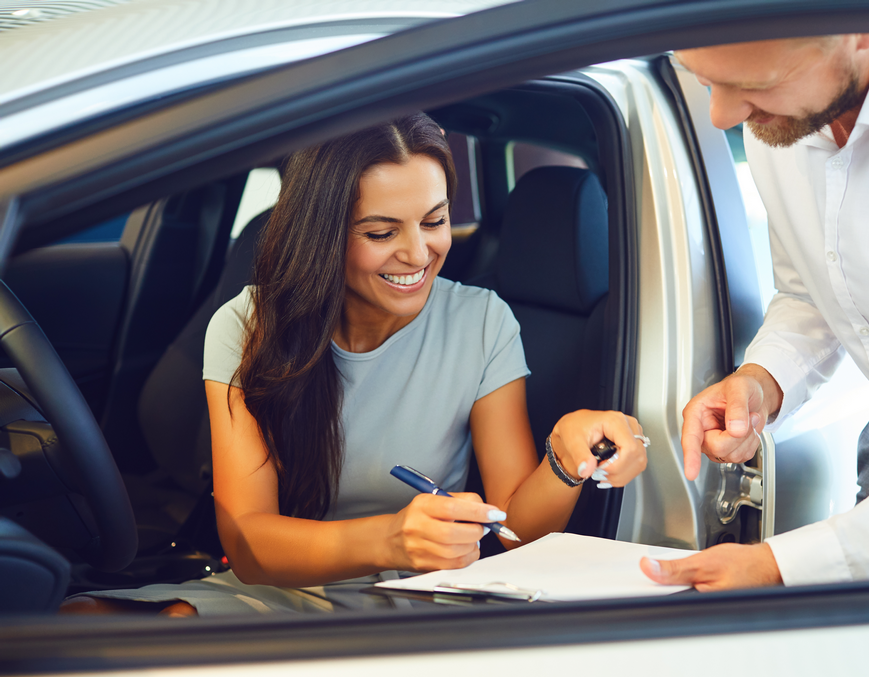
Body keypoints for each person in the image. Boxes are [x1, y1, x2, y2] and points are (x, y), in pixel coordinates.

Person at [64, 113, 648, 615]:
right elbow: (249, 544)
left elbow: (517, 534)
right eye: (380, 231)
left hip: (421, 601)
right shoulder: (248, 326)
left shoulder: (483, 322)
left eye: (435, 221)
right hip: (281, 590)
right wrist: (392, 538)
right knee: (76, 620)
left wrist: (566, 457)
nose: (418, 254)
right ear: (323, 235)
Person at [640, 33, 869, 590]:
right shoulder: (780, 116)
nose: (722, 116)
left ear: (863, 32)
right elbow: (811, 292)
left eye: (752, 85)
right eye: (706, 81)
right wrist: (763, 379)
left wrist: (781, 566)